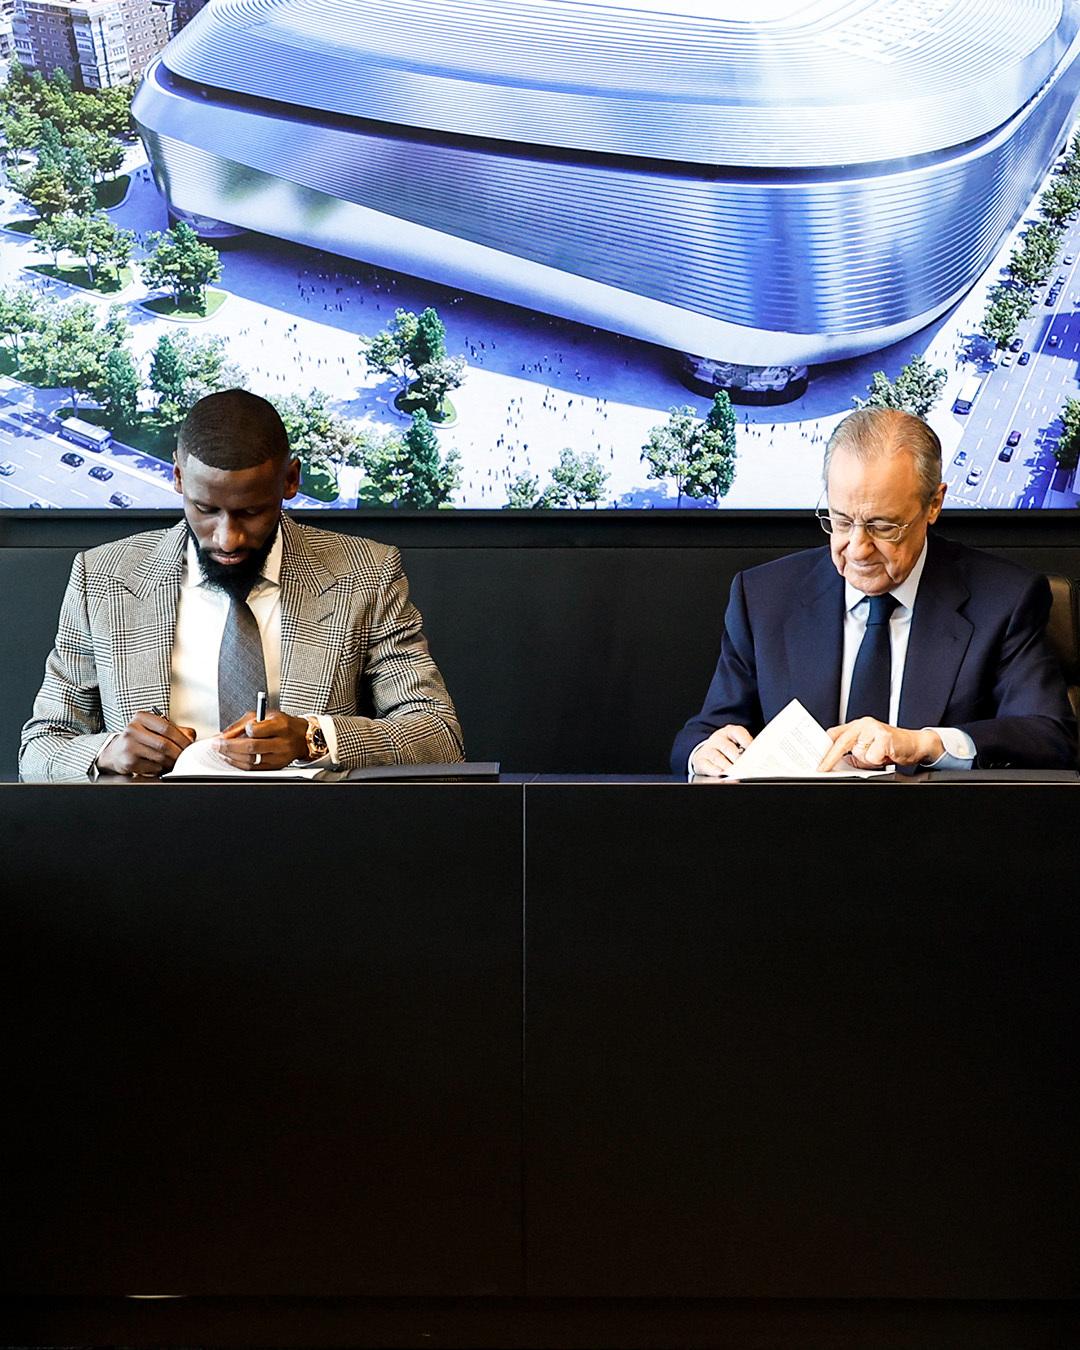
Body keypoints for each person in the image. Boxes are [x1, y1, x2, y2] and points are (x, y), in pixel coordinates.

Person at [20, 389, 463, 780]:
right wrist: (107, 752)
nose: (227, 538)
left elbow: (439, 734)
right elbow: (40, 748)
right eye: (205, 509)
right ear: (177, 477)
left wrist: (313, 738)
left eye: (250, 512)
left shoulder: (366, 573)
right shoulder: (102, 577)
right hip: (149, 847)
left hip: (314, 847)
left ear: (290, 480)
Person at [672, 407, 1076, 776]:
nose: (858, 548)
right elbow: (703, 732)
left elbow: (1050, 737)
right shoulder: (763, 597)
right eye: (842, 521)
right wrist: (706, 751)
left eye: (883, 527)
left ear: (934, 505)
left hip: (943, 837)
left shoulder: (1004, 599)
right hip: (795, 838)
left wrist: (926, 743)